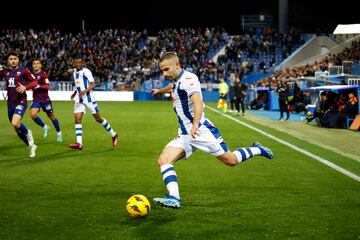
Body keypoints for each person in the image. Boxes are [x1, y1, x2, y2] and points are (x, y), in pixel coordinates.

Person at [151, 52, 274, 208]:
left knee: (231, 160)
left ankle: (258, 150)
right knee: (163, 160)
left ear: (177, 65)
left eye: (166, 69)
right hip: (185, 134)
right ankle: (174, 198)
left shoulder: (189, 79)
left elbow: (198, 102)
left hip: (201, 131)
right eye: (162, 71)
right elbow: (172, 87)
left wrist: (195, 124)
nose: (164, 73)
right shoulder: (176, 80)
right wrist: (159, 91)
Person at [68, 54, 118, 150]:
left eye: (80, 62)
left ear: (83, 63)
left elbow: (93, 84)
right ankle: (79, 143)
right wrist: (75, 93)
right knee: (77, 119)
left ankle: (114, 134)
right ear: (74, 63)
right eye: (76, 62)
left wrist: (85, 91)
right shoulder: (74, 73)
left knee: (98, 118)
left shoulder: (86, 71)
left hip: (88, 98)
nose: (78, 64)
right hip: (80, 99)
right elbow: (78, 85)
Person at [0, 52, 39, 157]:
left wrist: (26, 87)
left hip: (21, 101)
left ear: (18, 60)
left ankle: (28, 132)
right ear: (8, 61)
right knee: (17, 129)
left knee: (15, 122)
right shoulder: (5, 71)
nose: (13, 60)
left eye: (15, 58)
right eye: (11, 59)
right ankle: (31, 146)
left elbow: (35, 82)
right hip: (10, 104)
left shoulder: (24, 70)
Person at [29, 58, 63, 142]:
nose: (36, 65)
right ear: (32, 65)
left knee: (51, 116)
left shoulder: (44, 75)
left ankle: (59, 133)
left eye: (37, 63)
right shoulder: (31, 76)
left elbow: (47, 86)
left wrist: (39, 86)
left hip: (45, 101)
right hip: (36, 100)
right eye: (34, 63)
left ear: (40, 65)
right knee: (32, 115)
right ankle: (45, 127)